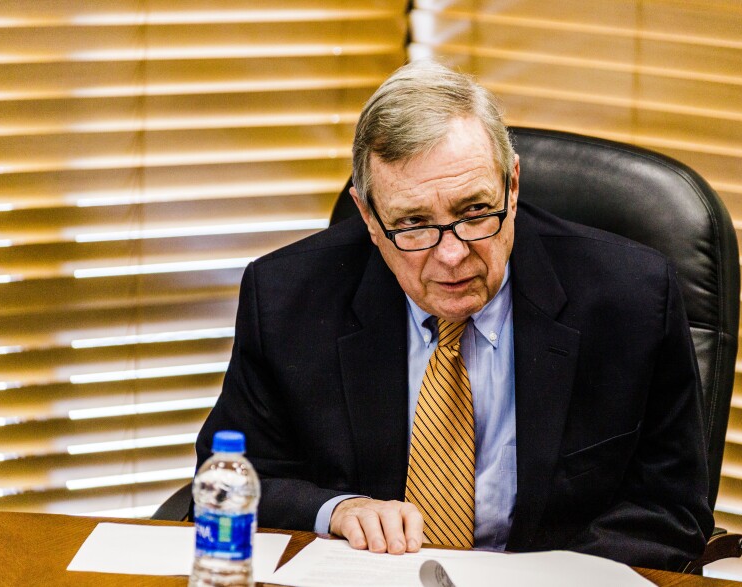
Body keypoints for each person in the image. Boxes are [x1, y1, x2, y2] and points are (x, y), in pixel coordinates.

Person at [195, 60, 713, 571]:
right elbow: (231, 481)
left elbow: (669, 510)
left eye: (473, 212)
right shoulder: (288, 299)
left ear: (511, 186)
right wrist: (337, 510)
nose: (450, 255)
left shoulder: (632, 299)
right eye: (413, 223)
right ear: (369, 217)